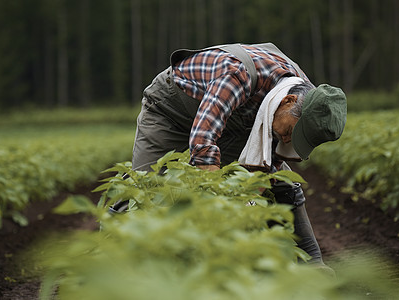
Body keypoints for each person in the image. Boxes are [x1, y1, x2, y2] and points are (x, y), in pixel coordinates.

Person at [128, 42, 347, 269]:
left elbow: (270, 160)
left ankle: (313, 263)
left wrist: (252, 197)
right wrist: (226, 211)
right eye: (292, 132)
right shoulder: (237, 74)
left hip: (236, 120)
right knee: (145, 187)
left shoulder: (307, 96)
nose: (288, 140)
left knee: (282, 182)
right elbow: (203, 145)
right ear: (287, 101)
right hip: (172, 110)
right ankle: (119, 252)